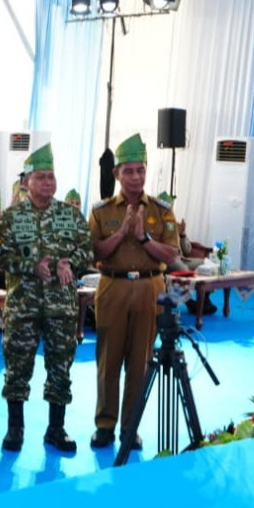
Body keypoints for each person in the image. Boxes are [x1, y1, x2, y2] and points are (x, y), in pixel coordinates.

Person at [0, 144, 92, 453]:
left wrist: (69, 262)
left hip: (61, 308)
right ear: (27, 182)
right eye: (41, 177)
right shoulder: (11, 217)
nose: (48, 183)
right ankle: (15, 428)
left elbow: (88, 249)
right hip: (23, 305)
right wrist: (30, 266)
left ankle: (56, 428)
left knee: (61, 367)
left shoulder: (70, 214)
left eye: (51, 177)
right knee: (17, 366)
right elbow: (0, 256)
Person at [87, 133, 180, 449]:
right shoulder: (101, 211)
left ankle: (131, 427)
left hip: (149, 287)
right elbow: (94, 253)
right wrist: (123, 233)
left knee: (140, 362)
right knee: (108, 361)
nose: (136, 177)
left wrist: (143, 239)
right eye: (129, 171)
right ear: (116, 174)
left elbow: (172, 254)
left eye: (140, 170)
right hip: (112, 286)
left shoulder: (161, 209)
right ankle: (105, 425)